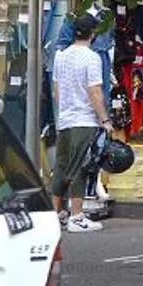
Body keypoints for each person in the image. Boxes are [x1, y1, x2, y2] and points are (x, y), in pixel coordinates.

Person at [50, 14, 109, 233]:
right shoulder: (91, 58)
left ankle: (55, 214)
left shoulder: (60, 56)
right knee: (78, 168)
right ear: (93, 34)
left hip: (64, 119)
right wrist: (104, 118)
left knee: (61, 167)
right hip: (84, 119)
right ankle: (77, 216)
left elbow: (56, 90)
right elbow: (94, 91)